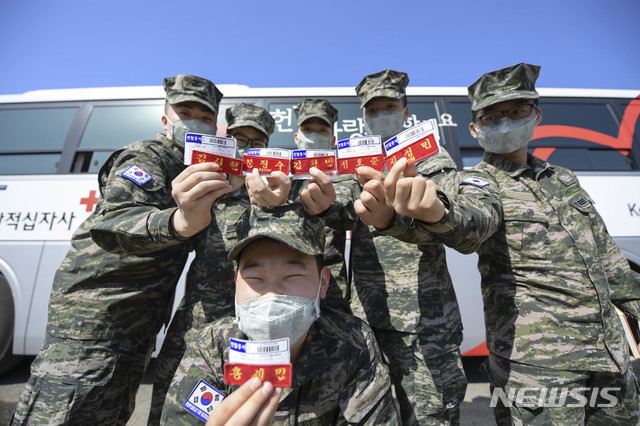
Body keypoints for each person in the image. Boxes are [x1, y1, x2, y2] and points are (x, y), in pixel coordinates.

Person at [382, 63, 640, 425]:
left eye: (517, 112)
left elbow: (611, 262)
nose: (505, 123)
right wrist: (435, 211)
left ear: (537, 115)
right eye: (492, 117)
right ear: (474, 129)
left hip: (609, 357)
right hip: (539, 367)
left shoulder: (563, 179)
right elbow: (468, 223)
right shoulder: (478, 181)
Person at [12, 74, 231, 425]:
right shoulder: (148, 155)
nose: (193, 120)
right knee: (66, 413)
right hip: (94, 323)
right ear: (165, 119)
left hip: (136, 326)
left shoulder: (196, 169)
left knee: (108, 414)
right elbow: (113, 220)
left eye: (204, 117)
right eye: (183, 110)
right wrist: (178, 222)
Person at [160, 203, 400, 425]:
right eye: (255, 278)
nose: (272, 295)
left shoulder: (353, 343)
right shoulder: (211, 347)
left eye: (292, 276)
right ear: (236, 282)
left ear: (323, 283)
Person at [347, 69, 467, 425]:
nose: (381, 114)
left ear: (405, 111)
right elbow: (335, 206)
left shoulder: (429, 158)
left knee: (430, 416)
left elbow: (451, 218)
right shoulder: (356, 162)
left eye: (389, 106)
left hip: (425, 322)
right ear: (364, 117)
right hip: (367, 319)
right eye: (373, 110)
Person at [148, 103, 276, 424]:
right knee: (171, 410)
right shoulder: (205, 191)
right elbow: (169, 241)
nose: (246, 147)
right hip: (196, 325)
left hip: (249, 334)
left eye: (256, 142)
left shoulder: (277, 197)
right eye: (239, 138)